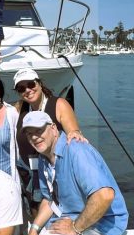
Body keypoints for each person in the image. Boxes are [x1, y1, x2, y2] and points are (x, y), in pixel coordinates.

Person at [22, 111, 128, 235]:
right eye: (29, 133)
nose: (34, 137)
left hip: (102, 222)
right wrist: (34, 228)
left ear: (53, 129)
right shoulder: (44, 158)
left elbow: (104, 195)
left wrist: (75, 227)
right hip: (71, 216)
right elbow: (49, 200)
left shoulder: (77, 151)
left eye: (39, 130)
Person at [13, 68, 87, 214]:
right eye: (21, 88)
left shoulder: (59, 104)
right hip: (28, 172)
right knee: (35, 211)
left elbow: (73, 132)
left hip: (54, 171)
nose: (27, 90)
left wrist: (75, 133)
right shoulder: (19, 107)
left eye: (31, 84)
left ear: (39, 83)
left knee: (57, 210)